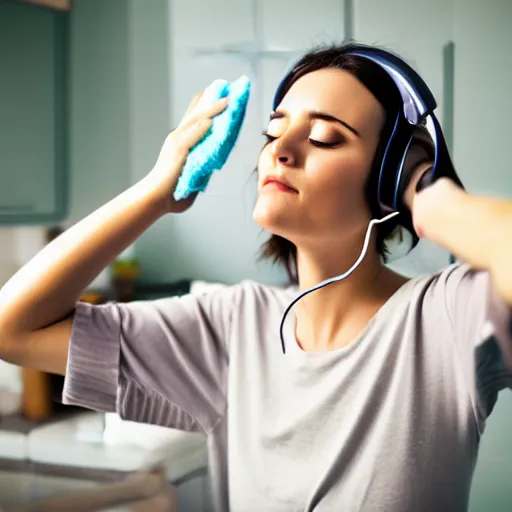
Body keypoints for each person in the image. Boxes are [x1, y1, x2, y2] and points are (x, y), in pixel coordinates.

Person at [0, 42, 511, 512]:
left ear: (386, 176)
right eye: (274, 129)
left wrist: (427, 192)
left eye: (323, 136)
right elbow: (13, 327)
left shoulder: (447, 318)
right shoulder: (230, 329)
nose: (280, 149)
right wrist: (154, 194)